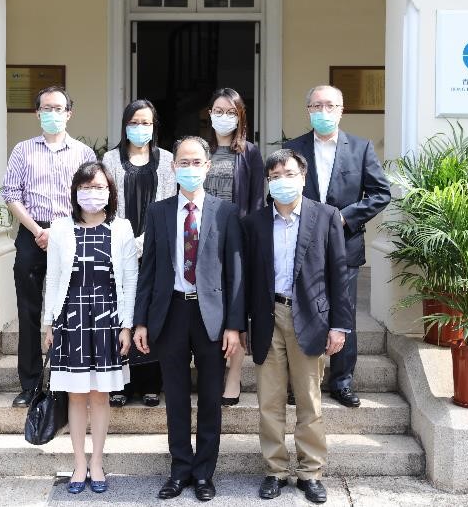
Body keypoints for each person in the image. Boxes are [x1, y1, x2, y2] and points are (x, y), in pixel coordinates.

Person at [133, 136, 245, 502]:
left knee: (211, 398)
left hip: (211, 316)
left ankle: (204, 474)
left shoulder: (226, 213)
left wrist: (234, 325)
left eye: (197, 162)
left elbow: (235, 274)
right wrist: (141, 322)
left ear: (208, 167)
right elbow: (147, 271)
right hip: (171, 312)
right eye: (184, 162)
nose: (190, 168)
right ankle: (180, 469)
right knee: (177, 396)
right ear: (173, 167)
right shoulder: (159, 212)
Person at [242, 149, 350, 504]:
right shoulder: (255, 222)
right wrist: (241, 323)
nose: (281, 181)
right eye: (274, 176)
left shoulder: (326, 216)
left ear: (303, 178)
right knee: (269, 401)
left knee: (309, 402)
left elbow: (339, 274)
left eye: (288, 174)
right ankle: (275, 470)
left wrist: (340, 325)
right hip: (267, 318)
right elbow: (246, 278)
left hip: (311, 319)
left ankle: (310, 472)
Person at [283, 85, 390, 408]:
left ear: (341, 110)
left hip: (345, 244)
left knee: (343, 316)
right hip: (301, 246)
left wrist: (344, 218)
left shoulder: (360, 148)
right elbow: (281, 193)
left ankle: (342, 381)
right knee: (300, 311)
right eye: (317, 106)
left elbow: (380, 193)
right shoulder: (294, 148)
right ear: (309, 111)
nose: (324, 111)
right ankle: (299, 382)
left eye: (330, 105)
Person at [42, 161, 137, 494]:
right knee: (76, 395)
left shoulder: (121, 228)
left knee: (100, 396)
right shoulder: (61, 228)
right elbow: (53, 277)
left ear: (109, 192)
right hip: (70, 319)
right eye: (86, 187)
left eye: (99, 187)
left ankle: (97, 462)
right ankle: (79, 464)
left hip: (107, 320)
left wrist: (127, 325)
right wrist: (48, 322)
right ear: (75, 192)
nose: (92, 193)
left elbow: (129, 278)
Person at [2, 85, 96, 408]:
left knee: (68, 311)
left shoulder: (84, 154)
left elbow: (91, 197)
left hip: (69, 234)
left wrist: (59, 232)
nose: (53, 113)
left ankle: (61, 380)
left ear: (69, 113)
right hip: (32, 233)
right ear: (37, 112)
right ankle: (30, 384)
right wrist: (38, 231)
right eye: (47, 108)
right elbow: (11, 194)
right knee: (29, 311)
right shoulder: (22, 151)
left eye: (59, 108)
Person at [102, 99, 176, 408]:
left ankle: (151, 383)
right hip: (118, 248)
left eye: (146, 123)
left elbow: (171, 202)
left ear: (154, 126)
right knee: (121, 314)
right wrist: (125, 239)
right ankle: (120, 382)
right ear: (125, 125)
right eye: (135, 122)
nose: (140, 128)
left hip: (155, 249)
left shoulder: (167, 160)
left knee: (151, 314)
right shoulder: (109, 159)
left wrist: (145, 240)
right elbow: (105, 203)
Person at [202, 87, 265, 407]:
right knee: (206, 311)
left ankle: (234, 375)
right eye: (218, 110)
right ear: (209, 113)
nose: (223, 117)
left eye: (230, 112)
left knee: (236, 311)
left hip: (236, 242)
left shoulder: (250, 153)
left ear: (240, 116)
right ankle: (210, 372)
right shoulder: (200, 150)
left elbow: (255, 202)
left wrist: (246, 243)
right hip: (200, 243)